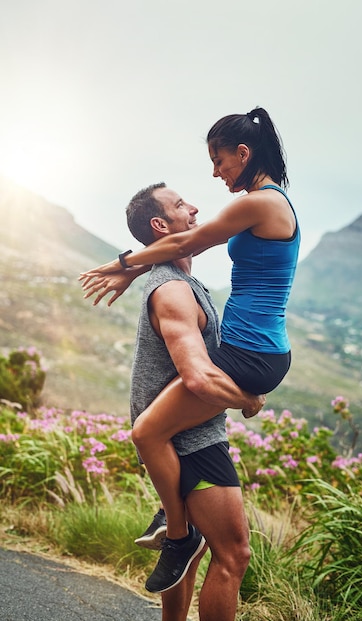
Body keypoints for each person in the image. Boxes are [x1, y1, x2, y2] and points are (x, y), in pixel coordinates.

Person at [80, 106, 301, 594]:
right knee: (157, 432)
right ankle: (174, 514)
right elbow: (184, 247)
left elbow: (191, 240)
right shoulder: (266, 201)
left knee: (146, 432)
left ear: (243, 154)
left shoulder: (259, 203)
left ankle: (179, 534)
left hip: (250, 355)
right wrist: (137, 270)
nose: (216, 172)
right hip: (252, 350)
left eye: (219, 161)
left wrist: (121, 262)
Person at [83, 182, 263, 621]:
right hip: (192, 445)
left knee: (190, 548)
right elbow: (197, 377)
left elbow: (176, 251)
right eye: (182, 204)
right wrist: (247, 400)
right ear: (161, 224)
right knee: (233, 555)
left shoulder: (176, 278)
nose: (195, 207)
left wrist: (134, 266)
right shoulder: (173, 290)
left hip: (180, 441)